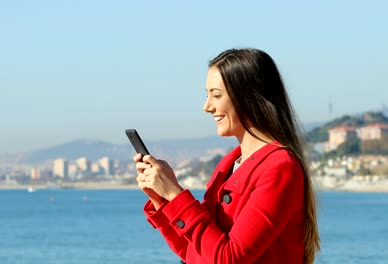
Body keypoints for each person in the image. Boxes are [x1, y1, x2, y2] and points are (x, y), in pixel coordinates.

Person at [133, 48, 320, 264]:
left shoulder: (280, 167)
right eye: (207, 94)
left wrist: (175, 195)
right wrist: (162, 199)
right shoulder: (229, 165)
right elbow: (194, 252)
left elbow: (230, 258)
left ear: (249, 97)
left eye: (217, 95)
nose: (207, 107)